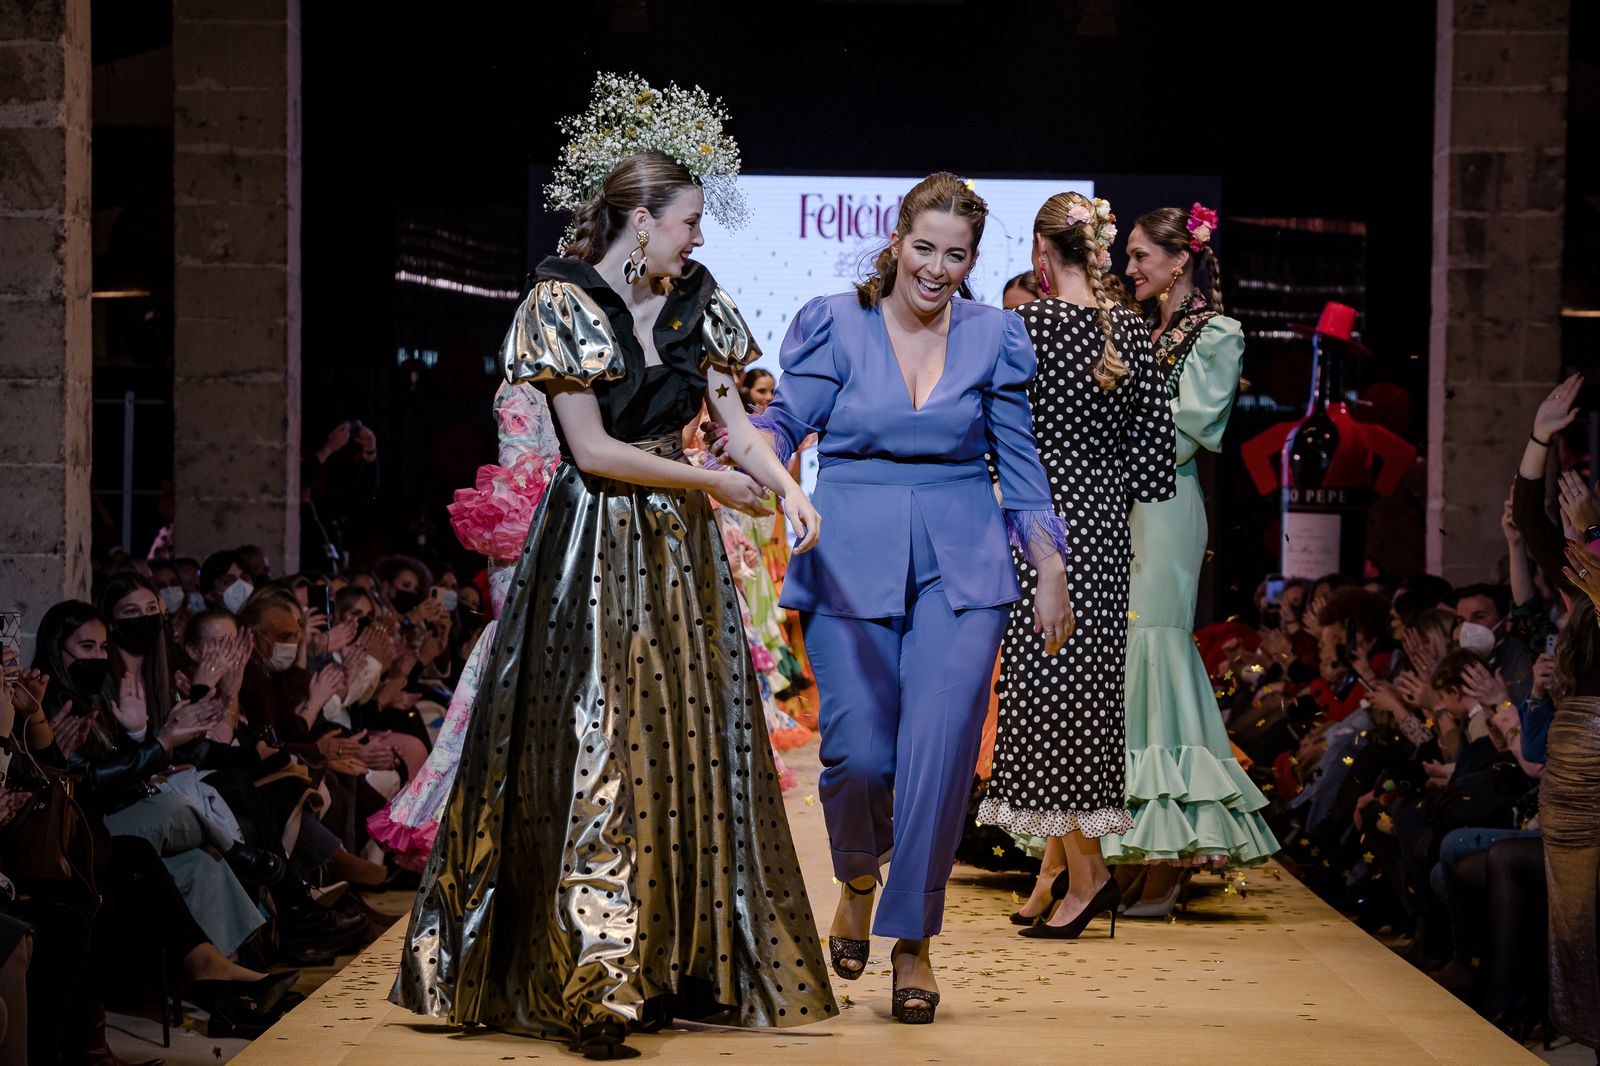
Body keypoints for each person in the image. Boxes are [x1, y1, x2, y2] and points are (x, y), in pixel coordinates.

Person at [391, 75, 836, 1060]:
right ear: (642, 222)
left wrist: (784, 486)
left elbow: (736, 426)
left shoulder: (697, 300)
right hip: (593, 544)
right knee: (597, 751)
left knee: (677, 749)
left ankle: (665, 964)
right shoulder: (560, 302)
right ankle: (593, 981)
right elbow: (591, 452)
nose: (697, 239)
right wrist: (710, 485)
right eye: (688, 223)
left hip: (678, 556)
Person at [738, 172, 1071, 1023]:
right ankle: (858, 878)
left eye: (955, 256)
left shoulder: (996, 335)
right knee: (858, 758)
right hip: (850, 550)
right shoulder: (836, 322)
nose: (936, 269)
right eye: (924, 248)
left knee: (941, 752)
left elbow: (1021, 467)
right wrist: (755, 456)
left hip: (963, 564)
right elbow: (784, 424)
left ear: (971, 261)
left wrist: (1050, 570)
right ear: (896, 241)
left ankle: (914, 938)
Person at [978, 192, 1176, 939]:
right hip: (1103, 530)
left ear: (1041, 253)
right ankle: (1064, 873)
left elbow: (992, 437)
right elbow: (1154, 466)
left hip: (1039, 526)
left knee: (1044, 697)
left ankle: (1087, 875)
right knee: (1082, 699)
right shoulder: (1130, 331)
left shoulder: (1023, 328)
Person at [1102, 204, 1277, 915]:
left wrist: (1110, 430)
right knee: (1128, 659)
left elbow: (1193, 427)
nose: (1129, 268)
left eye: (1141, 255)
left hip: (1165, 503)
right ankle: (1144, 848)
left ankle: (1172, 859)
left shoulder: (1217, 332)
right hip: (1126, 500)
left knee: (1156, 651)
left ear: (1181, 260)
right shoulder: (1146, 330)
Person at [1513, 373, 1600, 1049]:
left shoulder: (1590, 565)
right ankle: (1584, 1029)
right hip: (1573, 755)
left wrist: (1590, 531)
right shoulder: (1581, 572)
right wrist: (1539, 437)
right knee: (1572, 906)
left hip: (1589, 749)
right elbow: (1529, 520)